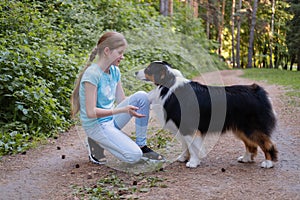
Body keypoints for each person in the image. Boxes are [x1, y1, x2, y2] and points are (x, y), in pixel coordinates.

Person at [71, 31, 164, 164]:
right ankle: (96, 141)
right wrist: (121, 110)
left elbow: (121, 100)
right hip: (96, 125)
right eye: (120, 52)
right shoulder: (92, 75)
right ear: (107, 51)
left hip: (110, 120)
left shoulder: (115, 71)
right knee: (134, 156)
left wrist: (148, 103)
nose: (123, 57)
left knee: (142, 96)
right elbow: (91, 113)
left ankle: (142, 146)